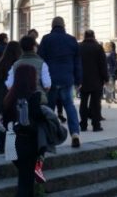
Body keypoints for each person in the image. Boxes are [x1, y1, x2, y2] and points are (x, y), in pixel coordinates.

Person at [38, 16, 82, 148]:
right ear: (64, 26)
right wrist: (78, 80)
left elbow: (41, 60)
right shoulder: (72, 39)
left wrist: (41, 80)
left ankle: (48, 136)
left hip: (50, 80)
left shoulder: (46, 39)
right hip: (67, 79)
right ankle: (75, 133)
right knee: (69, 106)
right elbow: (77, 62)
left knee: (49, 108)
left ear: (52, 26)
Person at [2, 64, 46, 197]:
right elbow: (38, 119)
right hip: (28, 143)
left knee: (24, 178)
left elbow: (4, 121)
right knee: (26, 183)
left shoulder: (10, 96)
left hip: (12, 142)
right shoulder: (33, 97)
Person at [0, 41, 23, 154]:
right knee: (13, 122)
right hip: (15, 98)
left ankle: (1, 146)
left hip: (3, 98)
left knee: (3, 122)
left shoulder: (1, 64)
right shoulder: (19, 64)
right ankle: (11, 146)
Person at [78, 30, 108, 131]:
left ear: (84, 36)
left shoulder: (79, 47)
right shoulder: (98, 47)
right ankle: (96, 125)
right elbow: (103, 64)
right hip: (96, 80)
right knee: (95, 104)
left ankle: (83, 124)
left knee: (83, 102)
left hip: (83, 80)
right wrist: (106, 78)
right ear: (94, 36)